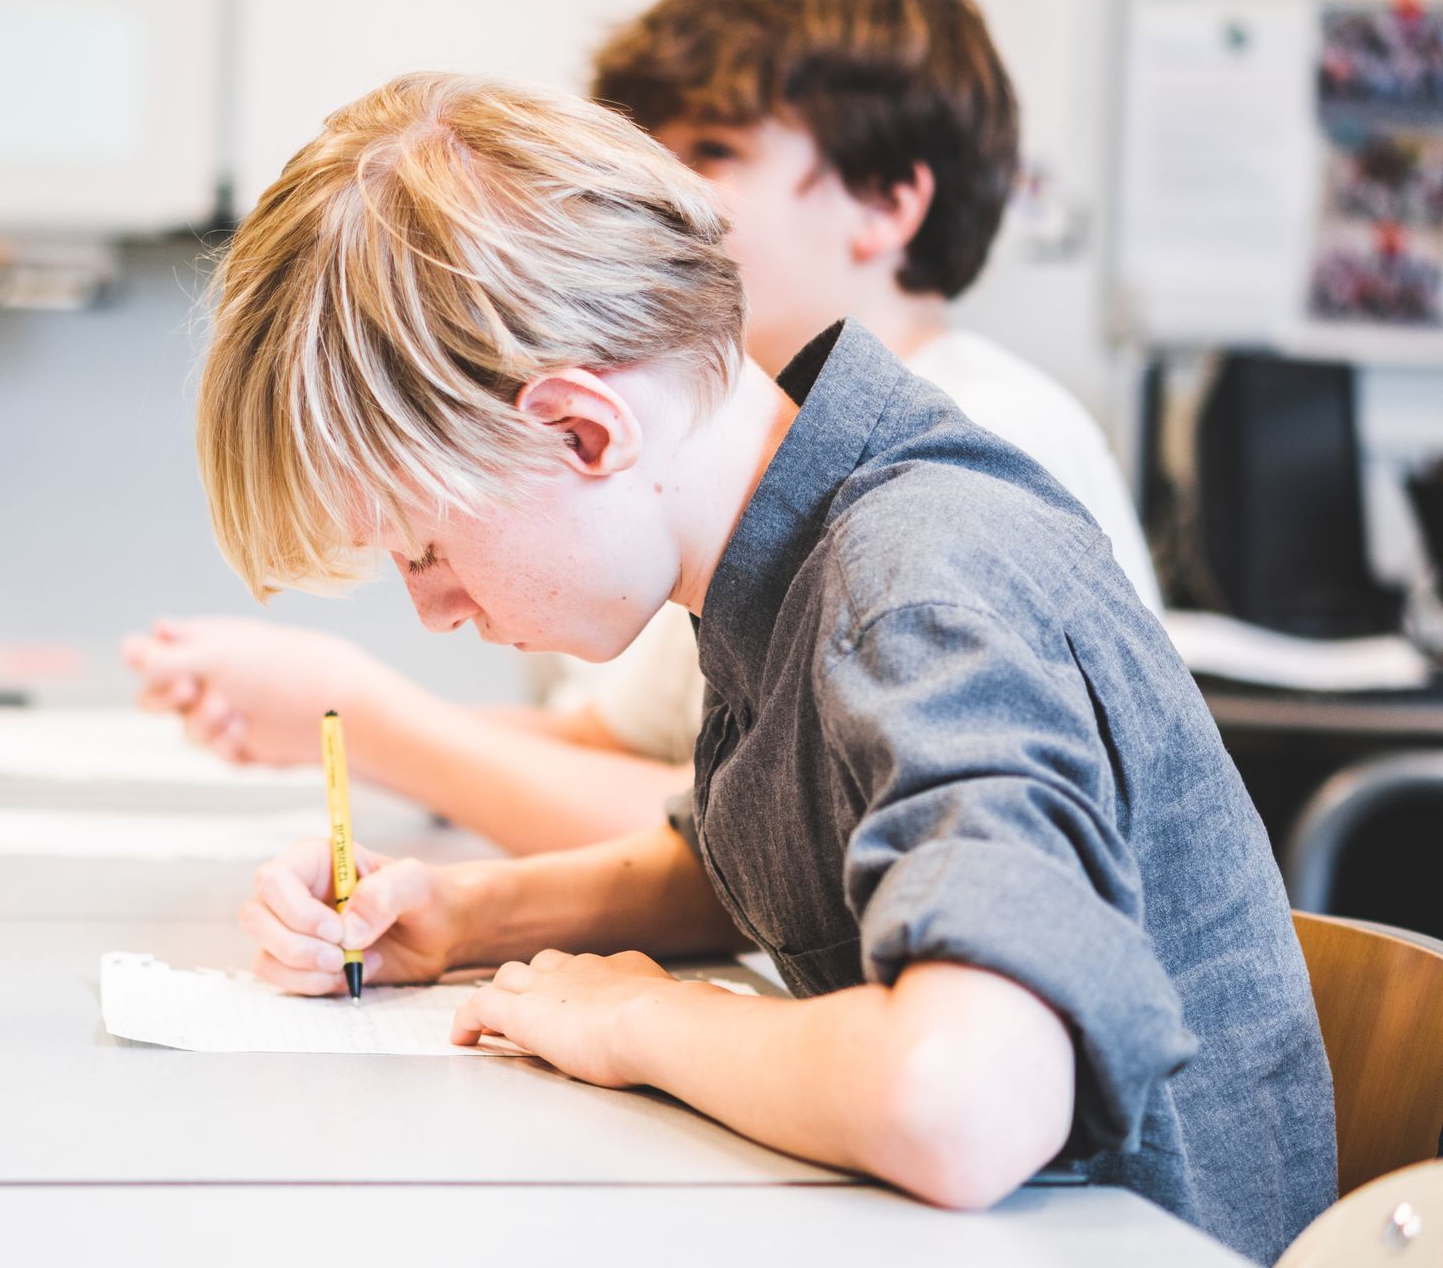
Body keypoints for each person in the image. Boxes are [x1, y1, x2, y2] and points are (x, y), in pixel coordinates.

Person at [200, 71, 1334, 1263]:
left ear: (583, 429)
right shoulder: (781, 554)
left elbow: (965, 1097)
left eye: (426, 549)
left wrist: (645, 1018)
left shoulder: (913, 582)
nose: (432, 609)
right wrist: (462, 915)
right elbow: (766, 856)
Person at [125, 0, 1160, 849]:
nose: (651, 198)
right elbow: (698, 802)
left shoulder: (942, 492)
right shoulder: (750, 482)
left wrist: (358, 717)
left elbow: (726, 839)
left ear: (886, 199)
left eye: (709, 151)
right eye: (642, 150)